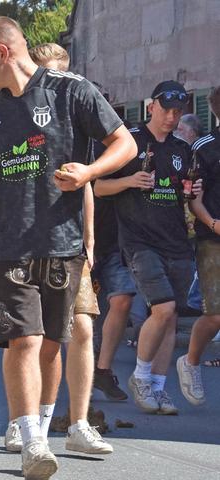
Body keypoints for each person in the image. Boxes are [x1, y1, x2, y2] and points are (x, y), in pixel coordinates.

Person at [0, 18, 135, 478]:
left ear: (3, 53)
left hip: (63, 241)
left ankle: (45, 427)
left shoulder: (71, 92)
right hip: (7, 243)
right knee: (24, 340)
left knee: (53, 343)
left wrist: (89, 174)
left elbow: (124, 143)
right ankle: (32, 440)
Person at [13, 41, 113, 455]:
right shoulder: (13, 113)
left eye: (61, 74)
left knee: (84, 328)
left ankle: (77, 424)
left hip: (70, 243)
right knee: (30, 339)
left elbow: (85, 183)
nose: (55, 83)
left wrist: (89, 238)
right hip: (22, 242)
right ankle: (24, 421)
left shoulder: (74, 111)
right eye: (47, 74)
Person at [95, 80, 198, 416]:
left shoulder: (183, 149)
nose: (171, 116)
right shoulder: (130, 141)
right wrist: (129, 181)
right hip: (139, 242)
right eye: (166, 109)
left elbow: (189, 199)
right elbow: (97, 186)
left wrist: (193, 192)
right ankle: (139, 377)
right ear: (150, 106)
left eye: (177, 111)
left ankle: (158, 386)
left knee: (170, 318)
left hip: (177, 242)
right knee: (163, 308)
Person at [177, 86, 220, 405]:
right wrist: (215, 224)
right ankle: (190, 362)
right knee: (216, 314)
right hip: (213, 240)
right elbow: (194, 200)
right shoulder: (206, 148)